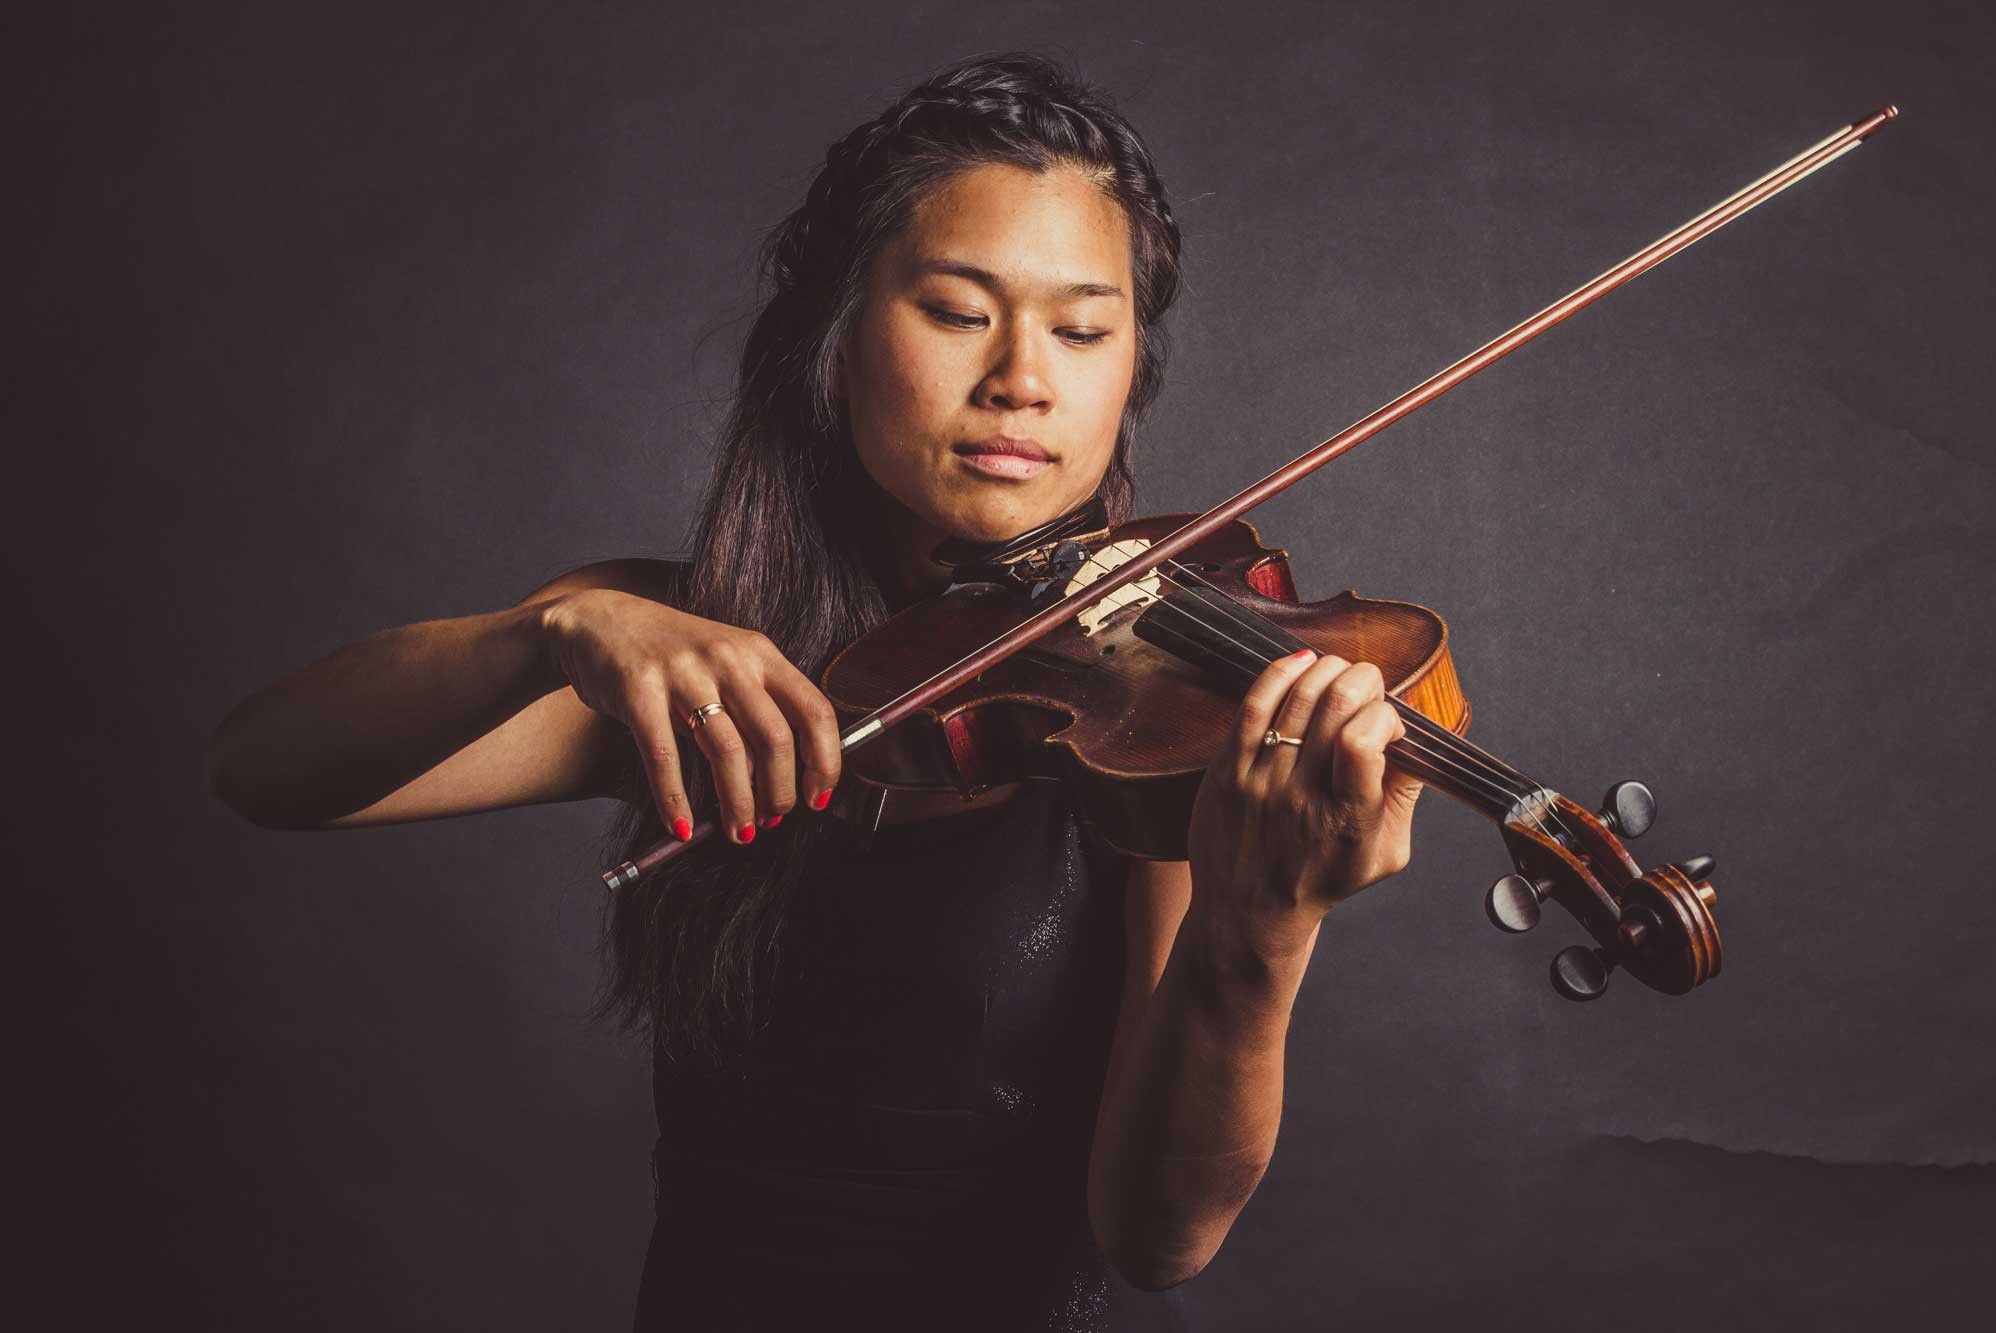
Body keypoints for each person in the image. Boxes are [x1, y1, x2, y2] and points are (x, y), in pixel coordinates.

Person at [207, 53, 1422, 1331]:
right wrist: (551, 631)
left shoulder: (1147, 728)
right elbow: (260, 770)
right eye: (955, 311)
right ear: (836, 343)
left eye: (1080, 330)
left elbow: (1158, 1239)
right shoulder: (680, 653)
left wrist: (1256, 936)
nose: (1023, 378)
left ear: (1126, 374)